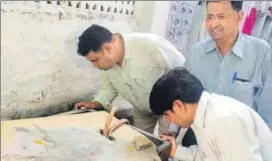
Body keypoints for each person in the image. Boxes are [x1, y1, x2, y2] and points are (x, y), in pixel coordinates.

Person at [74, 24, 185, 134]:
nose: (95, 66)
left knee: (167, 146)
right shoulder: (108, 66)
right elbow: (108, 89)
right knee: (140, 142)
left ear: (107, 48)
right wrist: (96, 103)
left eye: (95, 60)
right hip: (141, 111)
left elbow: (183, 72)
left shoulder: (149, 45)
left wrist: (179, 108)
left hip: (169, 110)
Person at [149, 67, 272, 161]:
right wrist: (175, 151)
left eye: (167, 114)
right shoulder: (201, 115)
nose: (170, 121)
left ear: (178, 106)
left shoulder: (224, 119)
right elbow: (208, 156)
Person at [185, 1, 272, 128]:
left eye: (221, 17)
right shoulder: (196, 52)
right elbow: (182, 94)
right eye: (210, 17)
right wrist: (173, 132)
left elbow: (267, 109)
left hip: (240, 142)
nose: (214, 24)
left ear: (239, 17)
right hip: (197, 139)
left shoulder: (260, 52)